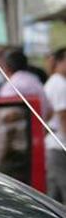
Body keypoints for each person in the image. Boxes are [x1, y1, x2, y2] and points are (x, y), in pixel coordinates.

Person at [0, 48, 51, 182]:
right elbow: (49, 110)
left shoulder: (11, 86)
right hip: (37, 146)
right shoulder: (35, 81)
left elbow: (7, 118)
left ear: (6, 66)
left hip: (14, 151)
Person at [44, 47, 66, 203]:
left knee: (55, 193)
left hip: (53, 143)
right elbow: (63, 117)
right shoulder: (60, 85)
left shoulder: (54, 82)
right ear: (60, 61)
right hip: (59, 144)